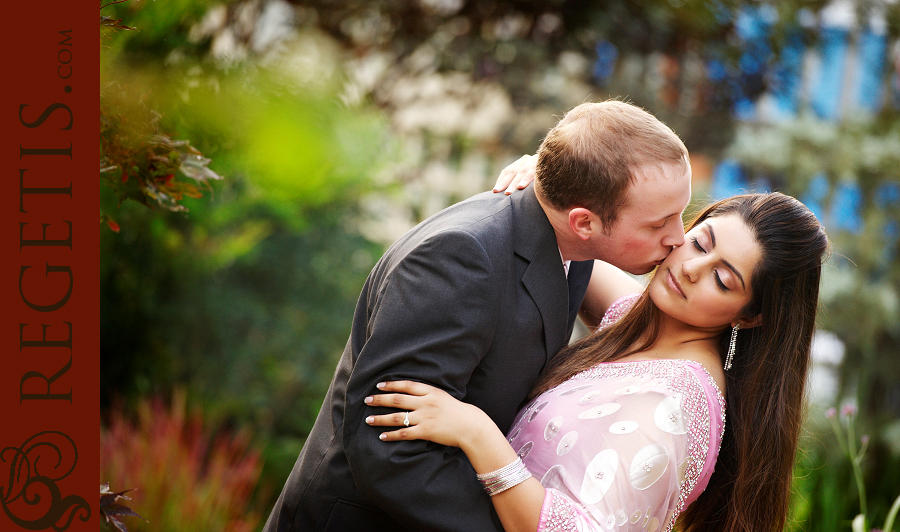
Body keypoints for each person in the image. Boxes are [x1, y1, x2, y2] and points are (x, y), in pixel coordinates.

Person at [263, 100, 692, 532]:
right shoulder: (459, 259)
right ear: (584, 222)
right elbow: (388, 447)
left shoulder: (573, 245)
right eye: (659, 225)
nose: (678, 238)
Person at [365, 192, 829, 532]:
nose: (690, 268)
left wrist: (476, 434)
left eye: (722, 280)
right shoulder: (642, 324)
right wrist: (548, 190)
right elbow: (577, 246)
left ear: (750, 317)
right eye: (700, 243)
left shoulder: (676, 407)